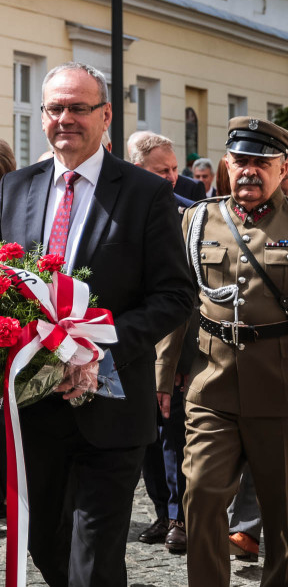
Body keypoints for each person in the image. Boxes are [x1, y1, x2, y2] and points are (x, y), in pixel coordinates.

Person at [0, 62, 195, 587]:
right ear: (41, 117)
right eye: (55, 108)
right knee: (45, 544)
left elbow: (175, 295)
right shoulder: (16, 189)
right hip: (35, 408)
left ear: (105, 115)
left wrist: (95, 349)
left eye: (79, 108)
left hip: (113, 403)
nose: (66, 119)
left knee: (96, 555)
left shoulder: (146, 193)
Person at [157, 116, 288, 587]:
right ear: (228, 164)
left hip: (280, 387)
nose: (249, 171)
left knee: (281, 511)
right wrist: (164, 375)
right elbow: (178, 300)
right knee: (202, 496)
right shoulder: (197, 220)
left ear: (283, 169)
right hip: (211, 383)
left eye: (262, 162)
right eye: (241, 161)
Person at [128, 131, 193, 554]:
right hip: (133, 346)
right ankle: (158, 510)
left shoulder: (190, 215)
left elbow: (186, 296)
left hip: (178, 346)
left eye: (174, 169)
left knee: (175, 436)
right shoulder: (119, 213)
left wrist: (175, 363)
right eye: (160, 170)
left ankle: (179, 517)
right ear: (137, 170)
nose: (171, 178)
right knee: (145, 438)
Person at [129, 133, 196, 211]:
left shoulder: (191, 211)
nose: (172, 178)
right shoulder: (120, 205)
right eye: (163, 171)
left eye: (174, 169)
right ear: (139, 170)